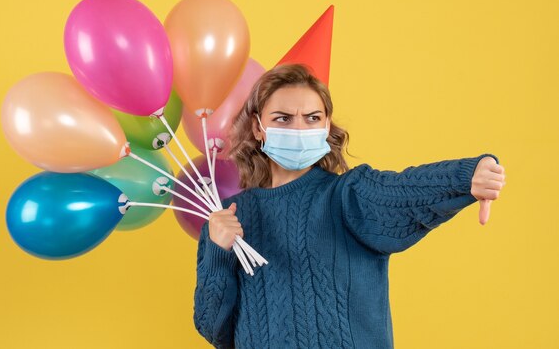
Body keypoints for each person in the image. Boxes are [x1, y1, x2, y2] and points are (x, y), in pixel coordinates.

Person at [192, 64, 505, 349]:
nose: (299, 129)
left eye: (312, 118)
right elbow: (213, 329)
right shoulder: (229, 217)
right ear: (259, 128)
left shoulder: (348, 195)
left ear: (326, 126)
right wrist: (218, 253)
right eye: (283, 118)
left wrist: (466, 175)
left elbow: (406, 191)